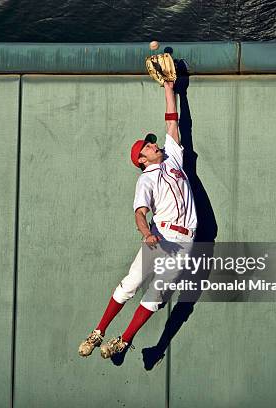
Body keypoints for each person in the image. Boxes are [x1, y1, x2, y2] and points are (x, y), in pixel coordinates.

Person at [78, 79, 198, 360]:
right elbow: (140, 213)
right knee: (131, 284)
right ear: (142, 159)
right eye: (147, 146)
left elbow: (172, 122)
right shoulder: (146, 180)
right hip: (162, 237)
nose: (153, 144)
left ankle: (124, 340)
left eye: (151, 143)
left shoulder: (173, 160)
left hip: (186, 241)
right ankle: (98, 332)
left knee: (155, 297)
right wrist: (146, 233)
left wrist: (170, 88)